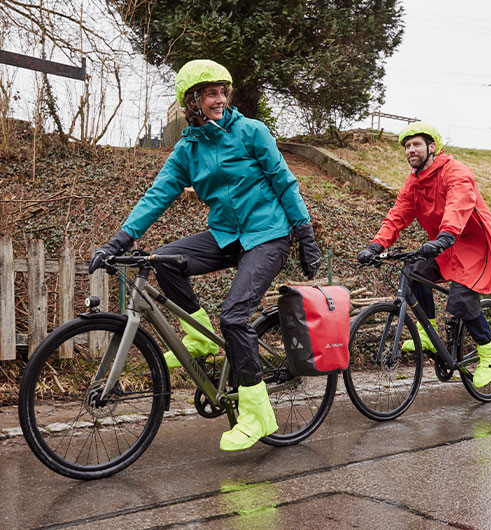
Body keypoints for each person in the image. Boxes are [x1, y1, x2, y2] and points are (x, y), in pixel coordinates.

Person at [88, 59, 321, 451]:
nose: (219, 99)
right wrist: (118, 241)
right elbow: (157, 196)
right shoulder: (188, 149)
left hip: (268, 234)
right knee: (161, 260)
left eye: (221, 92)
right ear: (192, 101)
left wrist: (305, 233)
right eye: (209, 93)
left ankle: (258, 413)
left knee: (232, 315)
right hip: (227, 235)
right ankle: (199, 339)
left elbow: (284, 181)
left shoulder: (251, 132)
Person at [357, 122, 491, 388]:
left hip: (474, 245)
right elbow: (398, 215)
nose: (410, 150)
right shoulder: (413, 182)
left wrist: (445, 236)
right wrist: (376, 245)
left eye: (416, 144)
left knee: (462, 298)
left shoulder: (456, 172)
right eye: (407, 146)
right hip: (445, 244)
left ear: (432, 147)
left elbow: (458, 204)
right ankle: (425, 331)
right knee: (415, 271)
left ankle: (489, 350)